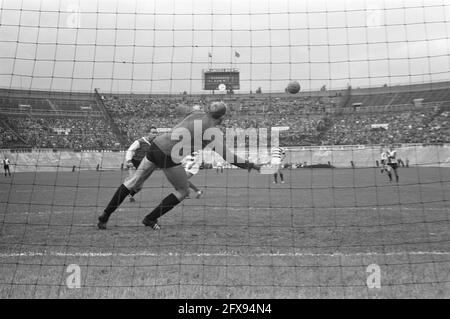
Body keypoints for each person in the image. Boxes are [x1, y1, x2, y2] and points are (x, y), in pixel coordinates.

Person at [97, 101, 260, 230]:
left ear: (208, 110)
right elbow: (230, 157)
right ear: (222, 118)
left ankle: (105, 216)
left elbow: (180, 107)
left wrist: (191, 108)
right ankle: (150, 219)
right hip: (168, 155)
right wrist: (254, 166)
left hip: (156, 144)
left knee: (133, 181)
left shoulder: (196, 114)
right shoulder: (211, 133)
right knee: (183, 191)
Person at [124, 127, 158, 202]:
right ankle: (122, 193)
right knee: (132, 181)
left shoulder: (154, 144)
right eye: (153, 132)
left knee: (139, 186)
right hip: (134, 164)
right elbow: (130, 150)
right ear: (148, 133)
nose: (155, 134)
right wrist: (129, 161)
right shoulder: (140, 142)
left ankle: (130, 195)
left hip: (143, 166)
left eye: (156, 133)